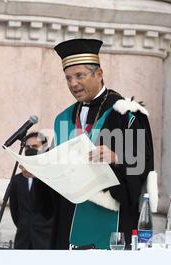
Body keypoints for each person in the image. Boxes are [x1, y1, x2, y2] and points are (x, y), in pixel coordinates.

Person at [46, 38, 154, 249]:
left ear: (99, 74)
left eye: (79, 76)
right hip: (69, 217)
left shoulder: (127, 113)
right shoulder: (64, 118)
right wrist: (39, 171)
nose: (73, 84)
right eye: (68, 78)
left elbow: (143, 162)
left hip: (109, 215)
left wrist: (117, 158)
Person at [9, 131, 53, 249]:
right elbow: (15, 210)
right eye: (28, 147)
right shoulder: (17, 180)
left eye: (35, 147)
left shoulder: (51, 179)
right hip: (23, 240)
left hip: (45, 240)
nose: (30, 150)